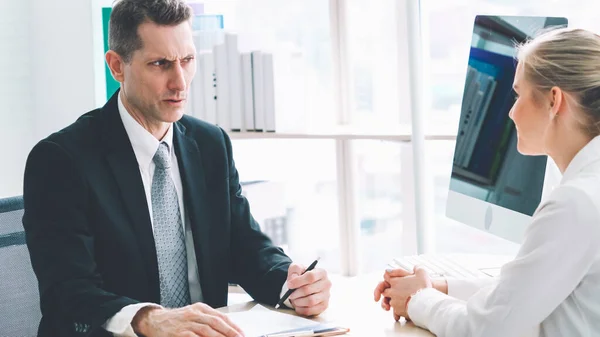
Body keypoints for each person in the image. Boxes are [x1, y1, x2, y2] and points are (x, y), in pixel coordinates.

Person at [22, 1, 331, 336]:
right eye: (160, 64)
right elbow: (66, 290)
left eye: (187, 60)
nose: (180, 83)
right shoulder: (62, 160)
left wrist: (291, 284)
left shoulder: (210, 144)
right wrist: (148, 319)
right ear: (117, 66)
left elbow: (244, 246)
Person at [374, 27, 600, 336]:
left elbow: (485, 329)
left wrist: (416, 299)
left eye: (518, 95)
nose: (511, 112)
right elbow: (527, 290)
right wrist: (439, 287)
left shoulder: (575, 203)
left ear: (554, 100)